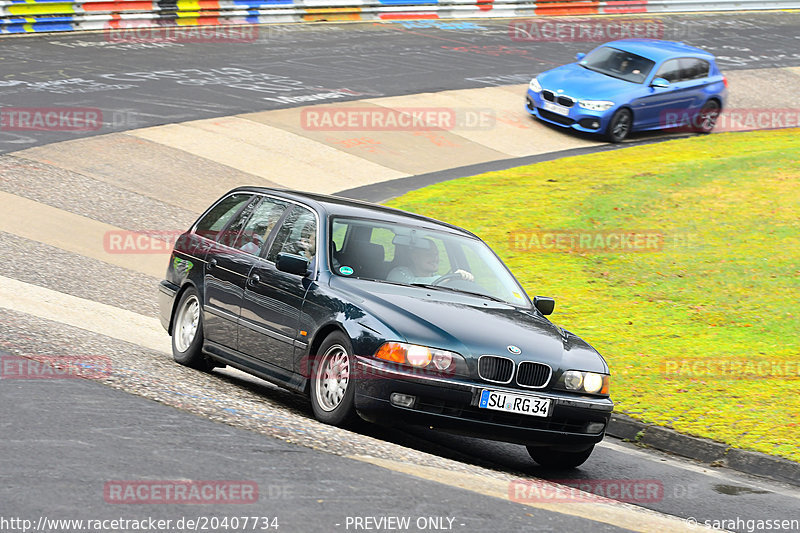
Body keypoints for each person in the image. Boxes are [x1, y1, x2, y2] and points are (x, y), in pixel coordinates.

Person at [387, 237, 473, 285]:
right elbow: (412, 284)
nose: (435, 258)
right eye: (429, 254)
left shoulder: (440, 278)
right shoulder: (398, 273)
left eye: (436, 254)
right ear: (415, 257)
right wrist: (448, 279)